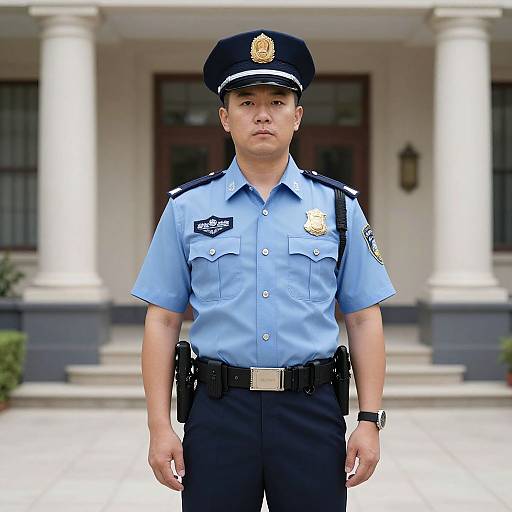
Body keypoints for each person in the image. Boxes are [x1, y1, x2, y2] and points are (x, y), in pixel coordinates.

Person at [131, 28, 396, 512]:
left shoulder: (338, 207)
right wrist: (158, 425)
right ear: (224, 117)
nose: (262, 114)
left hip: (310, 410)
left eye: (277, 101)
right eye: (246, 100)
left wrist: (369, 418)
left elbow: (363, 316)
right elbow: (163, 318)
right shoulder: (187, 208)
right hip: (217, 411)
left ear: (296, 116)